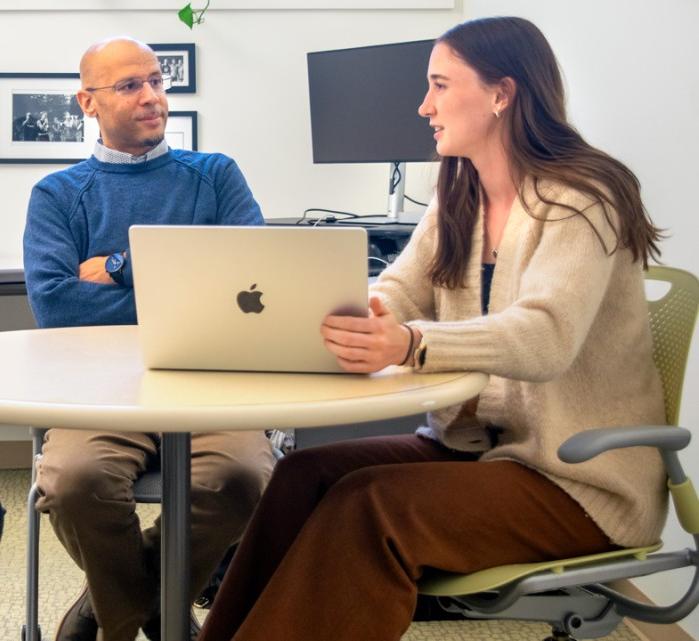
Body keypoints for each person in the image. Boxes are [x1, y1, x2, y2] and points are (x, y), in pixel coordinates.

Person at [198, 16, 667, 641]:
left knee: (370, 507)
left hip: (576, 480)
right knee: (301, 476)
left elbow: (544, 336)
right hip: (478, 449)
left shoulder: (583, 197)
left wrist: (414, 343)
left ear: (502, 94)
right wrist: (356, 311)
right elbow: (401, 285)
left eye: (440, 86)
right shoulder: (460, 193)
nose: (424, 106)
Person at [23, 37, 275, 641]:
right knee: (75, 480)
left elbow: (254, 281)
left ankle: (113, 606)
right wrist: (191, 282)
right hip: (99, 388)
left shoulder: (214, 176)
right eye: (130, 85)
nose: (152, 96)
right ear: (88, 102)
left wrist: (115, 266)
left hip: (211, 382)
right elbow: (57, 307)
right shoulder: (58, 195)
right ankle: (158, 612)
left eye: (157, 81)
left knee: (243, 477)